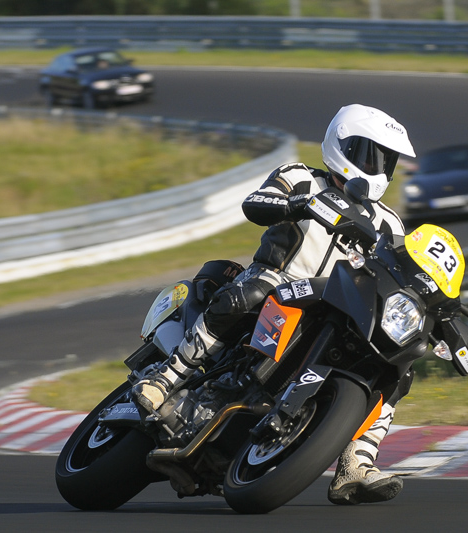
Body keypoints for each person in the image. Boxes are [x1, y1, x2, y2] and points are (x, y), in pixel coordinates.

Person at [133, 103, 417, 505]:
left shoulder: (389, 223)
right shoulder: (301, 178)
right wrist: (296, 206)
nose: (378, 167)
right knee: (251, 292)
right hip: (277, 280)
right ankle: (166, 378)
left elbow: (399, 273)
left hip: (336, 310)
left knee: (396, 368)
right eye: (370, 154)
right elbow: (256, 203)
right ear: (341, 144)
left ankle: (356, 461)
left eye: (386, 159)